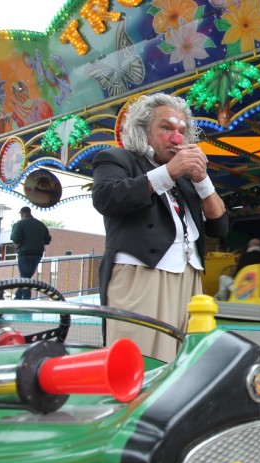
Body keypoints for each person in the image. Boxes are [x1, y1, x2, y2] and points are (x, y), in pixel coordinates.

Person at [92, 92, 229, 362]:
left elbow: (220, 227)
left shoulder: (186, 179)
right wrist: (169, 173)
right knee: (141, 362)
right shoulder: (117, 158)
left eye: (181, 130)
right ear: (144, 131)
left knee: (185, 364)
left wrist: (202, 179)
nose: (176, 137)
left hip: (189, 279)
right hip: (141, 276)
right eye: (166, 128)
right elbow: (107, 198)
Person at [10, 206, 51, 299]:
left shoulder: (19, 224)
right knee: (26, 277)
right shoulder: (41, 225)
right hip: (37, 254)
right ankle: (17, 297)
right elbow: (48, 240)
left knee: (25, 278)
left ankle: (26, 300)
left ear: (22, 213)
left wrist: (17, 247)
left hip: (24, 254)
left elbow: (15, 239)